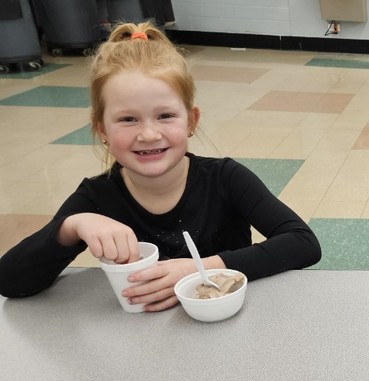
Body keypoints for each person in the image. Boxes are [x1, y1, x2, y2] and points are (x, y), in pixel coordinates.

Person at [0, 22, 321, 310]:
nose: (149, 134)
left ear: (191, 120)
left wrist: (201, 269)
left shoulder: (225, 178)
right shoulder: (97, 198)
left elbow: (303, 243)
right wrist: (71, 226)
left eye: (165, 116)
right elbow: (11, 281)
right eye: (128, 119)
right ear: (102, 129)